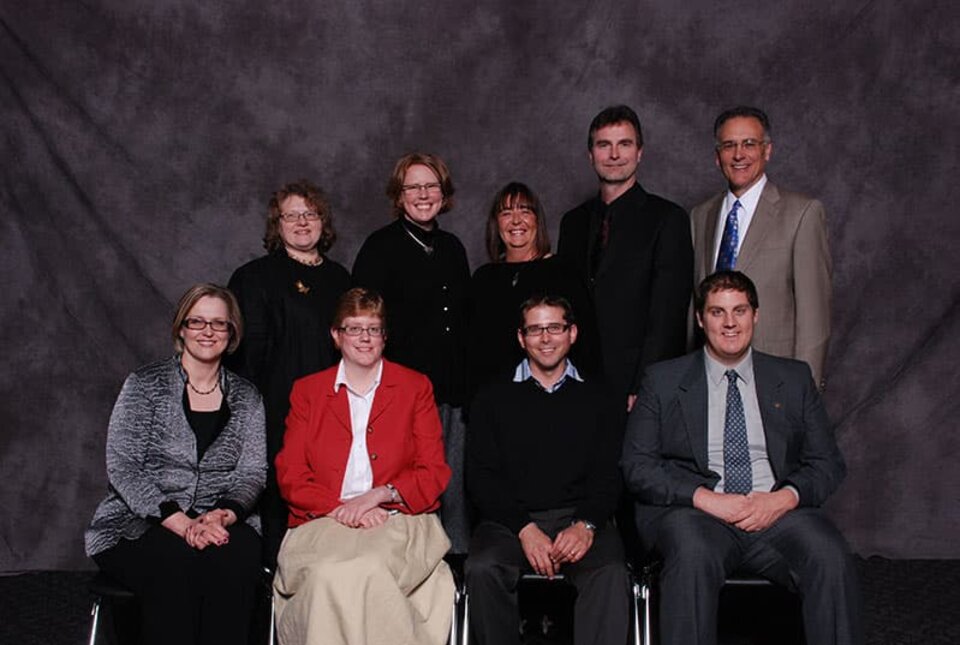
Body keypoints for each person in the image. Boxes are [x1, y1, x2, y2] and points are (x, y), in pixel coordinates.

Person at [621, 271, 861, 645]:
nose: (730, 323)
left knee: (828, 554)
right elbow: (638, 467)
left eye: (740, 311)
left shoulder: (794, 378)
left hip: (777, 511)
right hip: (697, 514)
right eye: (717, 312)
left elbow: (827, 462)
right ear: (700, 319)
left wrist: (783, 499)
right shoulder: (663, 380)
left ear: (756, 315)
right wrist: (709, 500)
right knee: (691, 555)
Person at [85, 284, 267, 645]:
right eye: (197, 321)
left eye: (219, 323)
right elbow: (124, 467)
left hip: (221, 520)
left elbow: (252, 472)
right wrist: (183, 524)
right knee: (179, 565)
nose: (208, 331)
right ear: (181, 329)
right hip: (137, 524)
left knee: (236, 562)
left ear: (232, 333)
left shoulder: (247, 397)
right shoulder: (144, 385)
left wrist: (221, 516)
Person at [273, 287, 455, 645]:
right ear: (336, 336)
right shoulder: (307, 391)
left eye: (373, 329)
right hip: (322, 518)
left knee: (369, 570)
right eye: (354, 328)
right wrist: (343, 508)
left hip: (399, 518)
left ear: (385, 337)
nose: (364, 338)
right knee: (326, 574)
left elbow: (434, 472)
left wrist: (380, 495)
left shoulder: (415, 387)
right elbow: (291, 475)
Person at [466, 295, 631, 645]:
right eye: (535, 329)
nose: (545, 338)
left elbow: (612, 473)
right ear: (521, 338)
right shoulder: (492, 397)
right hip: (510, 523)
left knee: (610, 572)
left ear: (572, 333)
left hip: (581, 518)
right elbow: (480, 476)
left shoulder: (601, 396)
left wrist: (585, 525)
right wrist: (524, 529)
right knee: (482, 569)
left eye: (554, 328)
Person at [227, 180, 350, 566]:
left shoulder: (342, 280)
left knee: (328, 512)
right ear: (276, 225)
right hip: (274, 415)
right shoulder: (253, 277)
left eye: (310, 214)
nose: (301, 222)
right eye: (291, 215)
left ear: (323, 222)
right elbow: (242, 361)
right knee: (277, 513)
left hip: (333, 415)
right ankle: (272, 608)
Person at [352, 152, 470, 552]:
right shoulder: (379, 248)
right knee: (407, 491)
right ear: (398, 196)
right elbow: (362, 327)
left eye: (431, 185)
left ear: (444, 193)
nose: (423, 194)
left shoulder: (452, 247)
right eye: (413, 187)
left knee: (452, 491)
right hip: (401, 396)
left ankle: (452, 579)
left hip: (453, 393)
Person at [558, 105, 693, 412]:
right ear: (590, 154)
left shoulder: (667, 219)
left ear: (640, 152)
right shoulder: (573, 223)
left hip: (636, 386)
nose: (614, 154)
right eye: (604, 145)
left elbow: (667, 314)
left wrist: (645, 384)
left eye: (625, 144)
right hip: (577, 380)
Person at [691, 106, 831, 389]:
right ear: (718, 157)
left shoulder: (802, 213)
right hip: (710, 378)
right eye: (729, 145)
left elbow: (814, 317)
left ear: (767, 151)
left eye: (749, 144)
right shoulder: (700, 215)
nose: (739, 154)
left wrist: (804, 391)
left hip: (774, 379)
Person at [469, 181, 600, 397]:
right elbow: (473, 350)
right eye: (506, 213)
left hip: (551, 397)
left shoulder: (563, 273)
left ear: (537, 220)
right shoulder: (483, 278)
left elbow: (587, 346)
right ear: (496, 223)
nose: (516, 221)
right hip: (492, 400)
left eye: (525, 211)